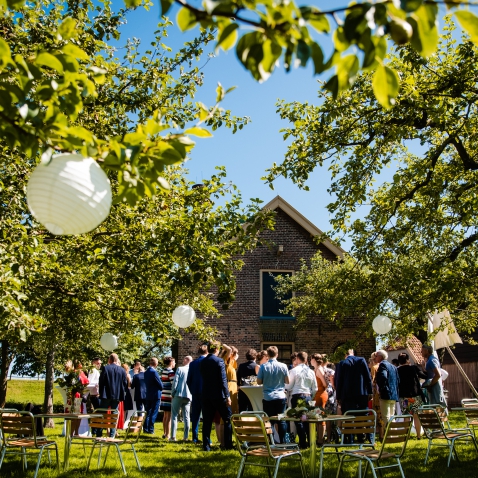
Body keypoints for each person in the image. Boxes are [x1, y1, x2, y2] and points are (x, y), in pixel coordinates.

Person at [200, 341, 232, 452]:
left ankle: (206, 446)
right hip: (219, 395)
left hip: (206, 394)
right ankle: (228, 444)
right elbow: (223, 380)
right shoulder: (219, 361)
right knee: (227, 418)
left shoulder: (202, 362)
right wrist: (227, 395)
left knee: (207, 421)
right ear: (217, 350)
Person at [335, 349, 373, 444]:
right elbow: (367, 377)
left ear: (345, 355)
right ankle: (361, 437)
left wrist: (338, 396)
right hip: (361, 393)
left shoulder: (342, 363)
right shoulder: (361, 360)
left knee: (348, 416)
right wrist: (370, 391)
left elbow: (339, 381)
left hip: (347, 394)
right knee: (362, 415)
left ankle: (349, 438)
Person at [257, 346, 289, 444]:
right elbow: (287, 381)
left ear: (268, 355)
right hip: (280, 396)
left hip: (268, 397)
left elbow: (258, 382)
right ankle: (282, 442)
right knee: (282, 420)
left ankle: (271, 442)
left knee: (269, 420)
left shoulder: (263, 366)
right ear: (277, 354)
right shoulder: (283, 366)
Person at [286, 351, 317, 448]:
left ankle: (302, 443)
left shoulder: (294, 371)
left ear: (297, 359)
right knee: (307, 419)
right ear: (306, 359)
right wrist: (310, 397)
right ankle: (311, 442)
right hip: (307, 395)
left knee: (298, 420)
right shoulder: (311, 371)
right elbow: (315, 388)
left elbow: (289, 386)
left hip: (297, 395)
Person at [397, 352, 427, 439]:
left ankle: (407, 435)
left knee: (406, 415)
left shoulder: (397, 370)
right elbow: (424, 376)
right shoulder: (413, 368)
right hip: (415, 395)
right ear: (407, 360)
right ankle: (418, 435)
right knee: (416, 415)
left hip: (404, 397)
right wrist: (423, 367)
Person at [98, 353, 128, 437]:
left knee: (102, 414)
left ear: (110, 359)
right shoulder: (122, 370)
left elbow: (101, 381)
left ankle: (99, 433)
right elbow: (124, 383)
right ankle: (112, 434)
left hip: (106, 394)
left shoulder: (106, 368)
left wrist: (101, 392)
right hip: (117, 395)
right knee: (114, 414)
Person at [187, 344, 208, 443]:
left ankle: (194, 437)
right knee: (206, 416)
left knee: (195, 416)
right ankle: (206, 438)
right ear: (207, 352)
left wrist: (192, 390)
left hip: (195, 392)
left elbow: (189, 380)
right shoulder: (207, 362)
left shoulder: (192, 363)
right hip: (205, 392)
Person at [375, 349, 400, 426]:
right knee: (392, 416)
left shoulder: (382, 365)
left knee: (386, 417)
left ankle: (389, 435)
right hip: (394, 394)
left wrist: (381, 388)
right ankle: (394, 434)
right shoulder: (393, 366)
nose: (375, 358)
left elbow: (383, 376)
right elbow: (398, 380)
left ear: (380, 357)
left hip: (385, 394)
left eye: (376, 356)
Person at [171, 356, 192, 441]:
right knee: (187, 417)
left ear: (187, 360)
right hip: (188, 395)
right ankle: (185, 437)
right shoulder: (192, 371)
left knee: (174, 415)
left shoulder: (180, 369)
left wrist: (173, 392)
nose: (183, 361)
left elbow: (175, 382)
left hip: (178, 394)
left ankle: (173, 436)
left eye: (184, 359)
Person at [310, 354, 328, 446]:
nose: (310, 360)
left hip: (320, 394)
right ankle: (318, 438)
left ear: (314, 360)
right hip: (317, 394)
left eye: (311, 359)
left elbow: (325, 384)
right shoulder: (316, 369)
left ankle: (320, 440)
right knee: (317, 416)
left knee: (320, 417)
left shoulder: (319, 369)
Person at [143, 357, 164, 434]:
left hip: (148, 394)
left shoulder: (146, 372)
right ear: (156, 363)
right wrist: (162, 387)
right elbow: (160, 384)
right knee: (154, 412)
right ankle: (151, 429)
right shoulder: (154, 372)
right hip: (155, 394)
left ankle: (145, 428)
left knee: (147, 412)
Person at [369, 352, 384, 439]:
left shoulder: (374, 368)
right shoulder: (382, 366)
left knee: (377, 412)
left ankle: (380, 432)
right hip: (382, 393)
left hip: (376, 393)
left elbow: (373, 381)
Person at [160, 356, 176, 439]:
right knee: (169, 416)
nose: (175, 363)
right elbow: (174, 383)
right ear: (170, 362)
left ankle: (164, 432)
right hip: (169, 394)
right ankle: (168, 434)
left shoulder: (163, 371)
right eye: (174, 362)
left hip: (163, 394)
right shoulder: (170, 372)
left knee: (165, 415)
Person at [122, 363, 134, 428]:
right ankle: (123, 422)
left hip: (121, 392)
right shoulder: (127, 375)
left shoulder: (120, 374)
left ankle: (121, 423)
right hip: (126, 392)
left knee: (122, 409)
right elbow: (129, 385)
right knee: (125, 409)